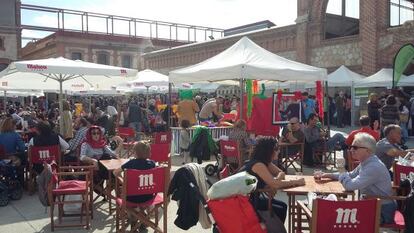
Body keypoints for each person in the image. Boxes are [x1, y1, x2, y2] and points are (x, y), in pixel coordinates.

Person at [321, 133, 397, 224]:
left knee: (336, 218)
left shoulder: (373, 167)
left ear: (368, 151)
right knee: (333, 211)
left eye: (355, 147)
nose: (351, 150)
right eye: (351, 146)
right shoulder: (367, 161)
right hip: (371, 205)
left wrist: (341, 169)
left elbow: (349, 186)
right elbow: (350, 175)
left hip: (381, 211)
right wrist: (328, 175)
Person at [241, 136, 305, 223]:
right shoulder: (258, 164)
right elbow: (275, 184)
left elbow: (281, 173)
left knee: (283, 206)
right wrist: (296, 182)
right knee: (280, 210)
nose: (279, 151)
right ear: (268, 150)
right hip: (245, 201)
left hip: (253, 196)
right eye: (276, 149)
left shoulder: (265, 162)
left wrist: (274, 182)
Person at [0, 117, 26, 184]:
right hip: (12, 159)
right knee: (23, 158)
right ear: (12, 126)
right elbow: (22, 148)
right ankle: (21, 182)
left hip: (1, 159)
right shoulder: (15, 135)